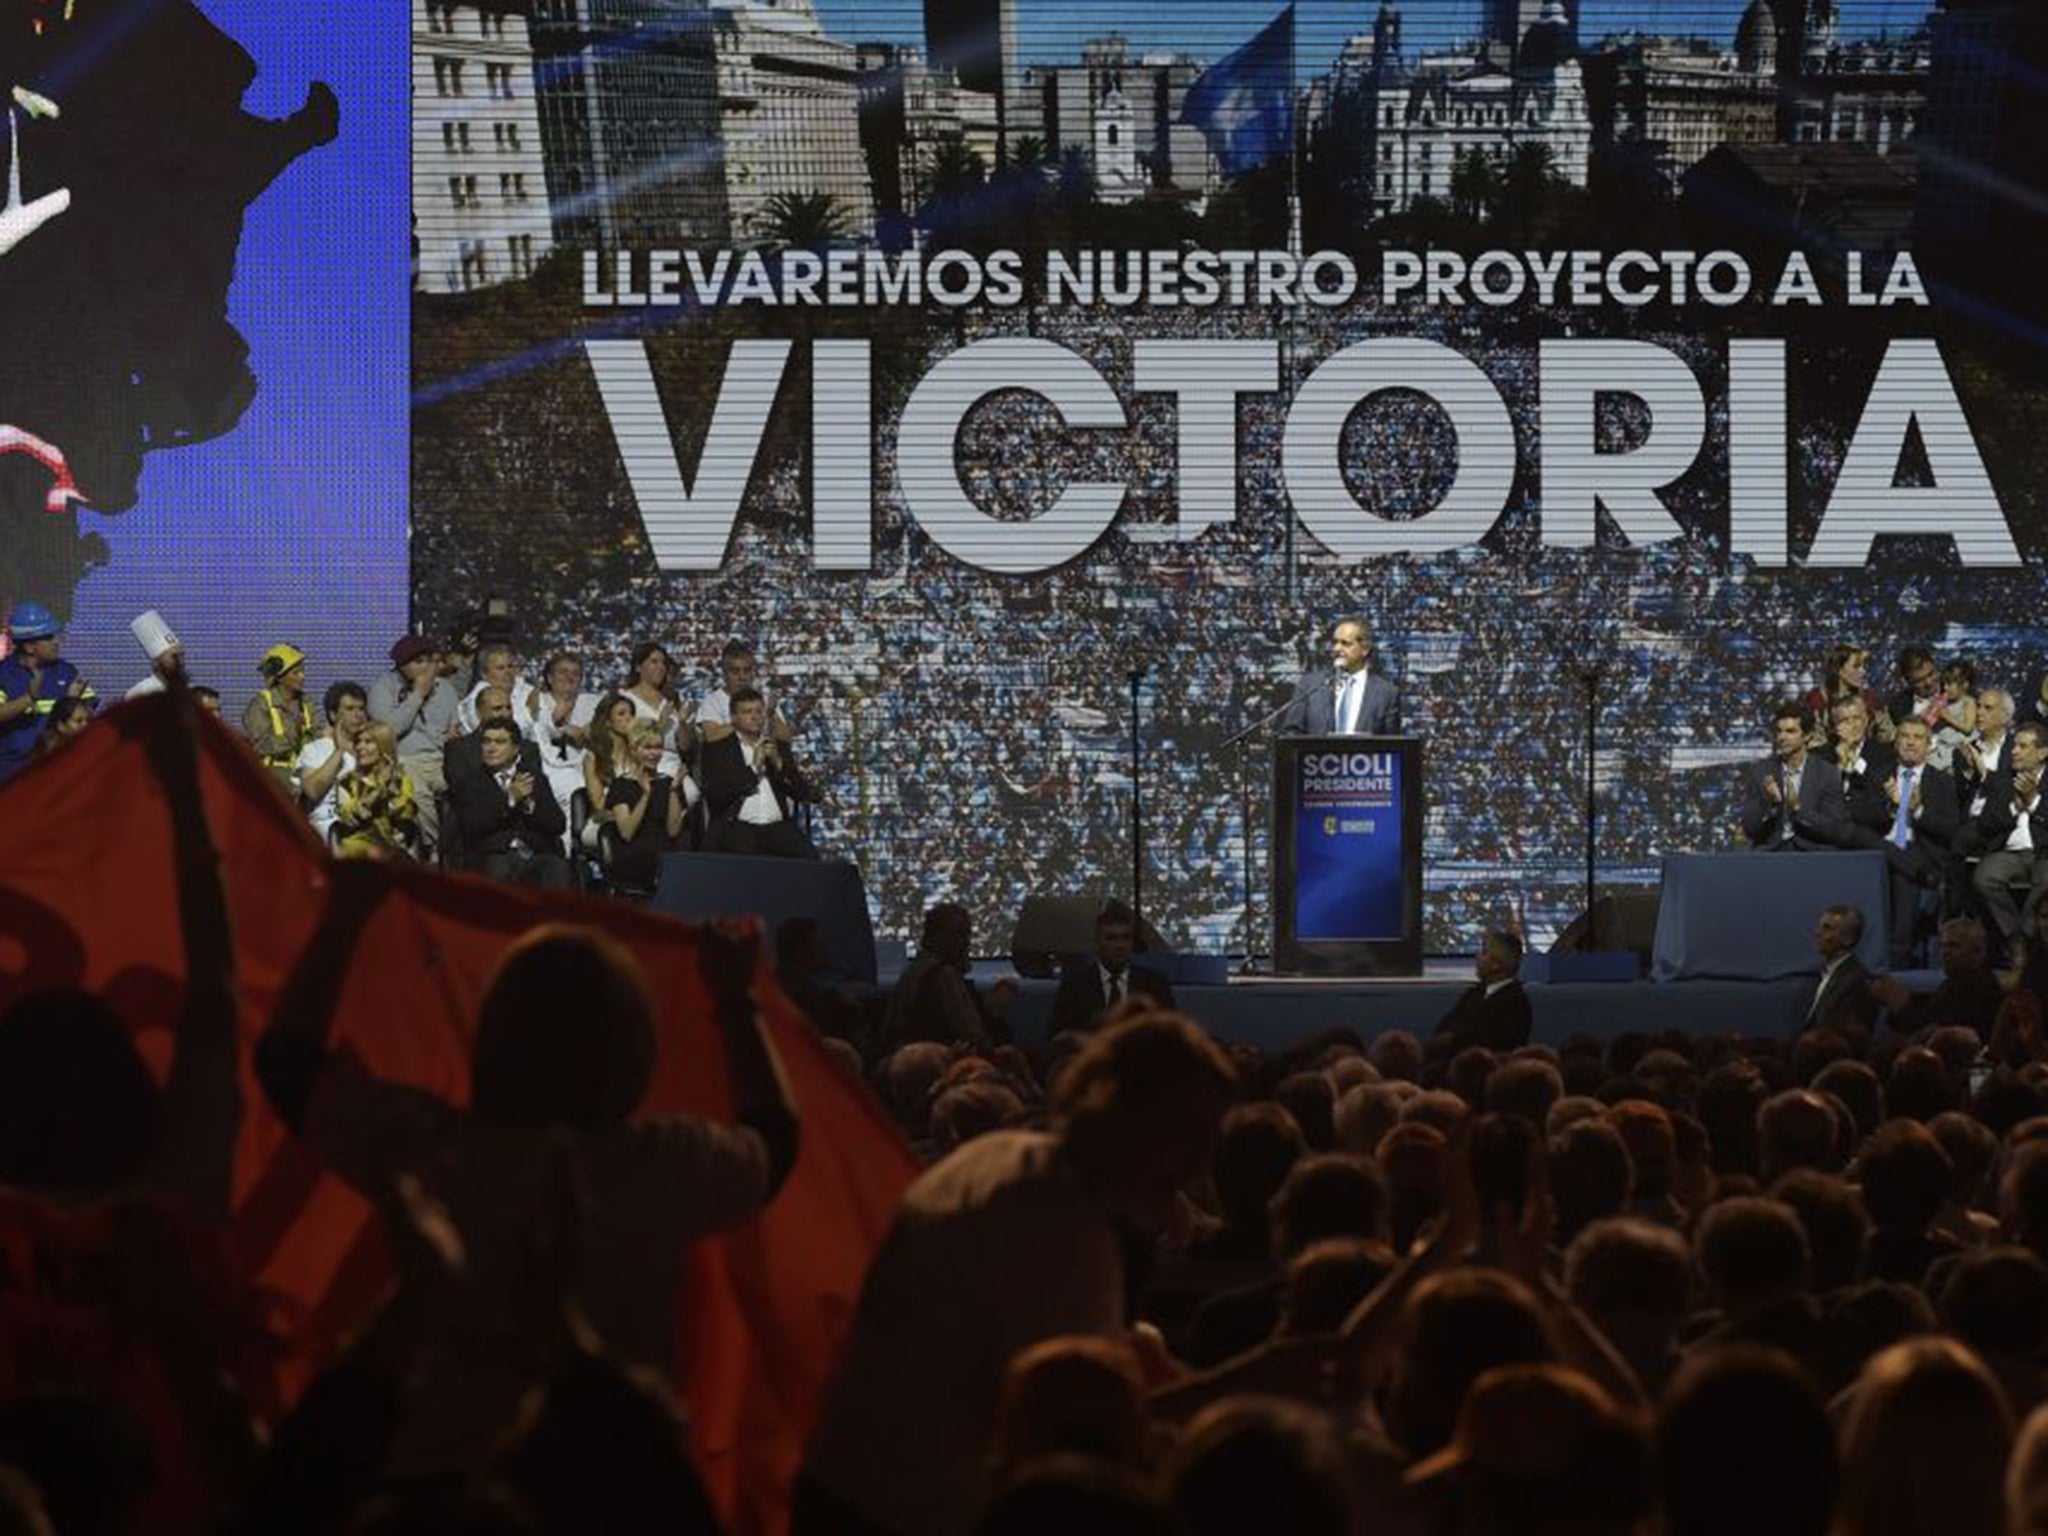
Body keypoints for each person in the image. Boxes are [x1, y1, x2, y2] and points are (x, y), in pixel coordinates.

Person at [255, 905, 799, 1468]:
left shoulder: (429, 1153)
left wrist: (345, 914)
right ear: (636, 1050)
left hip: (445, 1486)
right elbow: (775, 1142)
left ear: (491, 1035)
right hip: (610, 1485)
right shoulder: (667, 1169)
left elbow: (287, 1063)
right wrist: (737, 1001)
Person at [797, 1013, 1235, 1536]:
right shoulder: (1062, 1228)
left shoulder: (995, 1162)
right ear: (1122, 1109)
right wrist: (1244, 1396)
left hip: (843, 1488)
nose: (1196, 1167)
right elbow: (1078, 1424)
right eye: (1186, 1135)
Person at [1852, 718, 1959, 967]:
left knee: (1901, 870)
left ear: (1929, 744)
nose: (1910, 742)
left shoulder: (1941, 781)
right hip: (1882, 854)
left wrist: (1918, 810)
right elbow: (1860, 817)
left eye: (1917, 737)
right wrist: (1891, 807)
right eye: (1905, 736)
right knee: (1890, 854)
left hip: (1920, 852)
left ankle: (1899, 958)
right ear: (1896, 741)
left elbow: (1950, 829)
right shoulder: (1879, 775)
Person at [448, 719, 573, 888]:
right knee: (499, 868)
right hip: (493, 855)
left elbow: (558, 825)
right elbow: (471, 826)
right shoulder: (470, 782)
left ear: (515, 749)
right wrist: (510, 799)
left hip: (533, 853)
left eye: (499, 742)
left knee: (557, 868)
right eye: (486, 741)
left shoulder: (532, 778)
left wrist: (529, 805)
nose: (491, 748)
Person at [698, 686, 818, 859]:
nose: (755, 717)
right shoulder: (718, 750)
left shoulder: (777, 746)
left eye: (759, 711)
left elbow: (801, 792)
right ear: (733, 718)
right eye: (747, 712)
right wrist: (753, 768)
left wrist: (777, 762)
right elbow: (716, 796)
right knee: (744, 853)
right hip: (737, 827)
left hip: (778, 828)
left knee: (808, 856)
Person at [368, 635, 460, 853]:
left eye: (429, 660)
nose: (426, 667)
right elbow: (390, 730)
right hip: (405, 760)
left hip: (442, 758)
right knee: (415, 791)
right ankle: (434, 848)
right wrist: (418, 694)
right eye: (418, 662)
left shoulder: (445, 688)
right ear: (402, 666)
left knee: (469, 787)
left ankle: (458, 850)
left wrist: (455, 733)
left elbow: (454, 725)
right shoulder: (383, 688)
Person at [884, 902, 1014, 1048]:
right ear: (933, 937)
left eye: (966, 935)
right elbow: (973, 1035)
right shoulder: (943, 976)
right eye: (958, 935)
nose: (965, 943)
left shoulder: (913, 970)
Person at [1971, 721, 2048, 960]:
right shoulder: (2002, 780)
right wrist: (2015, 805)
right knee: (1985, 876)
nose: (2014, 751)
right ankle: (2017, 938)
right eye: (2015, 745)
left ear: (2043, 753)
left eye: (2023, 746)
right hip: (2009, 854)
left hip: (2044, 853)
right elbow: (1985, 824)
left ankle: (2024, 938)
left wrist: (2033, 800)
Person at [1049, 902, 1177, 1033]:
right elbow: (1058, 1036)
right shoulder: (1074, 985)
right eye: (1111, 938)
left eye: (1126, 938)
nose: (1120, 945)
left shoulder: (1155, 985)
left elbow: (1171, 1035)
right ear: (1098, 941)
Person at [0, 601, 91, 780]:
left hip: (58, 770)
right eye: (48, 637)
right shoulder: (3, 674)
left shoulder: (67, 672)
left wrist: (70, 701)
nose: (56, 642)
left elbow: (86, 716)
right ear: (29, 647)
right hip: (11, 774)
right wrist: (28, 699)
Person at [1741, 702, 1848, 851]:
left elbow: (1834, 827)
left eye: (1790, 731)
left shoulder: (1826, 773)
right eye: (1779, 731)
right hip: (1772, 852)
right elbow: (1750, 828)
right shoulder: (1761, 772)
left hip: (1812, 852)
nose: (1782, 737)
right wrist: (1772, 806)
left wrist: (1799, 810)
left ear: (1807, 735)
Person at [600, 720, 684, 892]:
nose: (654, 754)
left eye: (658, 747)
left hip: (666, 854)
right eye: (648, 748)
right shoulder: (621, 785)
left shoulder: (668, 783)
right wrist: (645, 795)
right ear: (633, 750)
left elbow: (673, 831)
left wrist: (674, 791)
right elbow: (627, 832)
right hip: (634, 855)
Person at [1280, 615, 1399, 736]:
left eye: (1345, 643)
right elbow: (1291, 733)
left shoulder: (1386, 693)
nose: (1336, 648)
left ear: (1365, 649)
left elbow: (1392, 746)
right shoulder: (1310, 684)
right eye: (1335, 642)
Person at [329, 721, 421, 860]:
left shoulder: (401, 781)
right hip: (356, 852)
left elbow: (405, 821)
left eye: (368, 742)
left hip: (390, 852)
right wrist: (378, 791)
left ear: (383, 747)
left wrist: (389, 787)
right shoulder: (346, 782)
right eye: (358, 742)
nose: (360, 747)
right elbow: (350, 819)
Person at [1433, 929, 1532, 1053]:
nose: (1477, 957)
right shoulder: (1474, 993)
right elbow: (1444, 1026)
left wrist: (1453, 1039)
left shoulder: (1515, 1003)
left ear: (1496, 964)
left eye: (1484, 952)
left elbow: (1487, 1044)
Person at [528, 650, 598, 825]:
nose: (570, 677)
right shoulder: (537, 703)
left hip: (588, 770)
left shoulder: (593, 704)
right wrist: (562, 728)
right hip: (548, 772)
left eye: (576, 673)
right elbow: (529, 733)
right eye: (563, 672)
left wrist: (590, 736)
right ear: (550, 678)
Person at [296, 681, 367, 845]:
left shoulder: (372, 747)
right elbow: (313, 791)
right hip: (324, 830)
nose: (358, 715)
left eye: (361, 709)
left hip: (365, 829)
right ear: (333, 715)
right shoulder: (315, 749)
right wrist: (339, 751)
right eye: (350, 709)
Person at [241, 643, 316, 794]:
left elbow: (315, 738)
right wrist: (293, 732)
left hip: (305, 774)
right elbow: (261, 744)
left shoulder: (307, 703)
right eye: (296, 673)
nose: (302, 677)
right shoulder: (261, 703)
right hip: (272, 778)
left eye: (303, 671)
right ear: (280, 677)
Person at [1804, 904, 1881, 1039]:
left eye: (1827, 928)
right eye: (1820, 926)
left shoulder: (1857, 982)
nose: (1817, 932)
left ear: (1848, 939)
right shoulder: (1823, 976)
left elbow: (1850, 1037)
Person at [624, 641, 692, 777]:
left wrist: (683, 723)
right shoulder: (625, 700)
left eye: (663, 663)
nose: (661, 667)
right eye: (654, 662)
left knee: (691, 793)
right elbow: (625, 741)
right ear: (638, 667)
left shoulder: (673, 701)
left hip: (673, 766)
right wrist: (661, 724)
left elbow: (685, 747)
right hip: (638, 766)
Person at [455, 641, 536, 735]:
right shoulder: (477, 697)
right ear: (484, 674)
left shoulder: (525, 688)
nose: (508, 672)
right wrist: (529, 712)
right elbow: (500, 734)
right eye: (500, 668)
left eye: (510, 666)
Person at [124, 609, 188, 699]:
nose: (180, 661)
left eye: (181, 655)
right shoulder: (140, 692)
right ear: (156, 662)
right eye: (174, 657)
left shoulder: (185, 691)